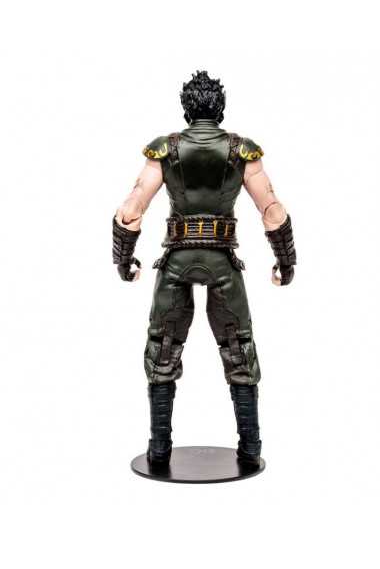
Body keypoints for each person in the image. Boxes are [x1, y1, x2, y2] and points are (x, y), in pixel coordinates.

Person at [112, 71, 296, 467]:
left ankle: (159, 449)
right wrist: (286, 260)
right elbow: (272, 210)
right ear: (220, 107)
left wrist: (123, 260)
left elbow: (131, 208)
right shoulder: (242, 151)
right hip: (222, 261)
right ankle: (251, 449)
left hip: (177, 260)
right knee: (239, 351)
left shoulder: (166, 149)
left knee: (162, 350)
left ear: (186, 108)